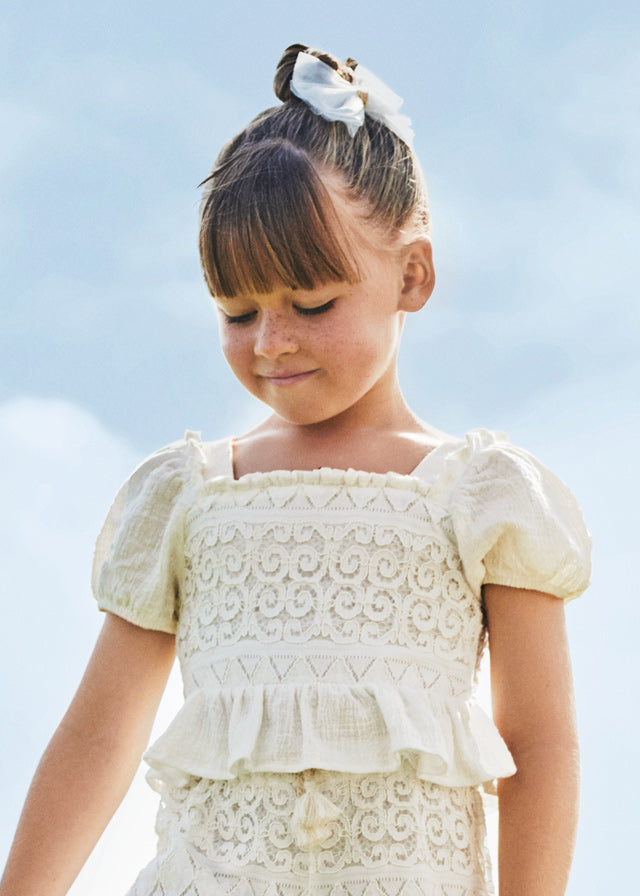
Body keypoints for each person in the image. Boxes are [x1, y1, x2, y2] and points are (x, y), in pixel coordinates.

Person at [0, 43, 591, 896]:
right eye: (238, 312)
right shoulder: (190, 496)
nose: (271, 342)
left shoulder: (484, 496)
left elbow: (538, 745)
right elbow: (99, 737)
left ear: (412, 275)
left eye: (311, 304)